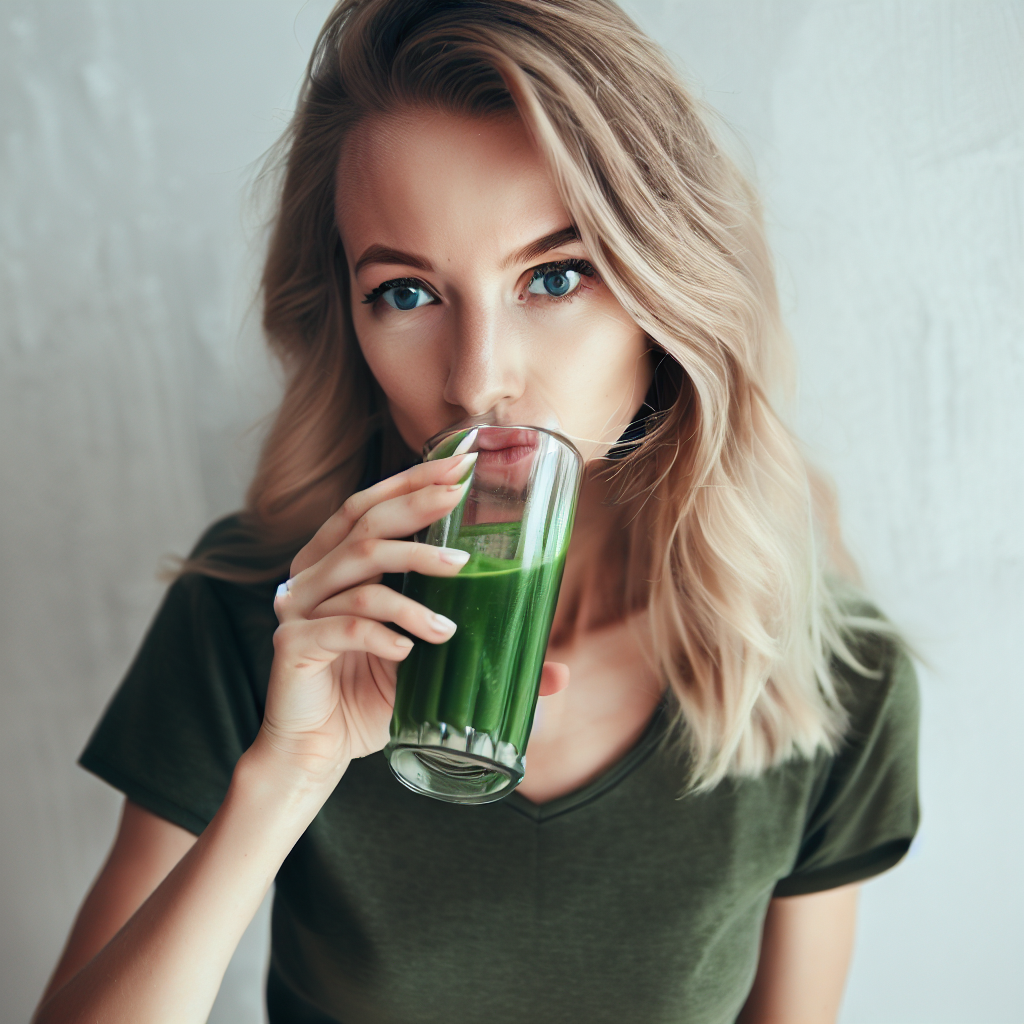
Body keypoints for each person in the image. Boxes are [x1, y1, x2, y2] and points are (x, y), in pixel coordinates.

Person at [33, 1, 919, 1022]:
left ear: (668, 287)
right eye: (406, 294)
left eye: (553, 276)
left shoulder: (831, 674)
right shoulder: (265, 612)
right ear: (348, 318)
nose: (478, 379)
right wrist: (288, 772)